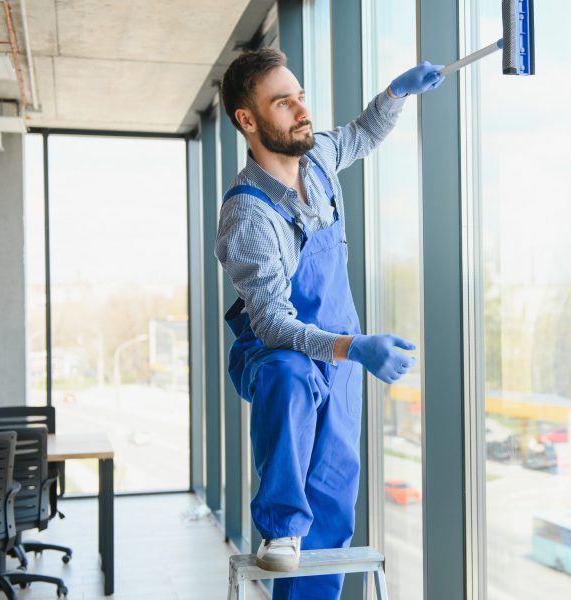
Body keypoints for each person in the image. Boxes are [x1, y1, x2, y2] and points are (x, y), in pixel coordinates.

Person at [215, 48, 443, 600]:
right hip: (276, 351)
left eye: (300, 95)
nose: (300, 109)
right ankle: (281, 526)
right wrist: (355, 347)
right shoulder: (248, 213)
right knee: (290, 373)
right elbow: (272, 324)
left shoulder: (317, 161)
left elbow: (362, 133)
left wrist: (397, 93)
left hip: (341, 352)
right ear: (247, 120)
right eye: (281, 101)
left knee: (336, 500)